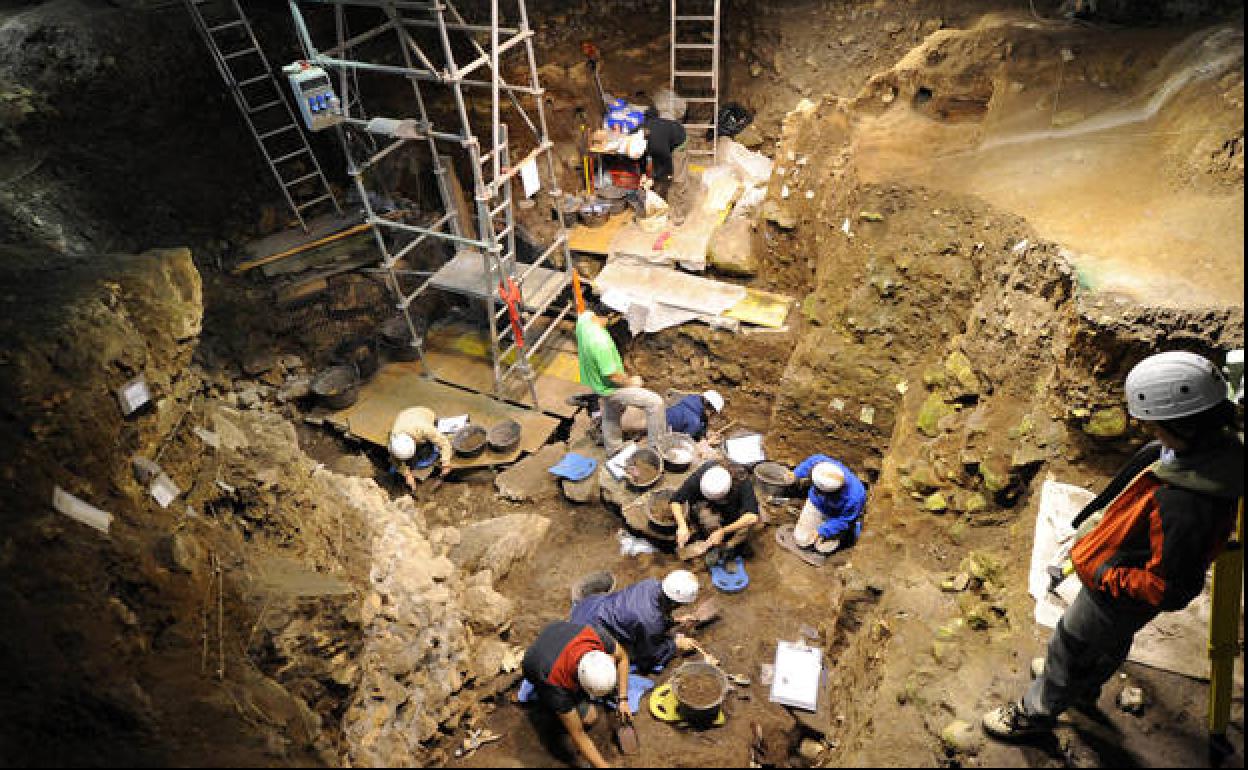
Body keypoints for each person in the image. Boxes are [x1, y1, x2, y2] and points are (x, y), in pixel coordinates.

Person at [982, 351, 1243, 740]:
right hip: (1121, 579)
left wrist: (1106, 575)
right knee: (1103, 645)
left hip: (1118, 593)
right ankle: (1082, 687)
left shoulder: (1187, 503)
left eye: (1155, 425)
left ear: (1182, 425)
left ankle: (1034, 714)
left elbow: (1169, 588)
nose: (1149, 431)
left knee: (1069, 643)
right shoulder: (1204, 455)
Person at [522, 621, 632, 769]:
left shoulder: (597, 637)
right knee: (589, 718)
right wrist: (603, 766)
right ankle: (545, 702)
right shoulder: (556, 681)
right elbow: (578, 734)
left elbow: (623, 657)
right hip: (535, 663)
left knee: (590, 713)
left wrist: (623, 699)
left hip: (556, 632)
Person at [569, 570, 701, 675]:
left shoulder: (650, 584)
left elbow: (653, 613)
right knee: (631, 655)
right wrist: (675, 645)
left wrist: (674, 621)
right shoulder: (650, 621)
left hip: (588, 607)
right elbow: (650, 656)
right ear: (676, 602)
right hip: (586, 633)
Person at [575, 301, 666, 453]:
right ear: (610, 315)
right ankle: (656, 450)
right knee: (655, 402)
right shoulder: (600, 342)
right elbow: (612, 376)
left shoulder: (584, 318)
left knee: (612, 411)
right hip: (609, 387)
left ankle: (613, 448)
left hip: (595, 381)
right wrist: (631, 382)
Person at [671, 461, 763, 565]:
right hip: (708, 506)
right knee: (705, 517)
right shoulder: (701, 476)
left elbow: (753, 516)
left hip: (734, 510)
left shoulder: (741, 479)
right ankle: (709, 538)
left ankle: (728, 547)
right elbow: (675, 500)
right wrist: (682, 525)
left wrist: (723, 531)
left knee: (745, 526)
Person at [792, 455, 867, 554]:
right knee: (801, 540)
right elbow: (811, 462)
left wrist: (822, 531)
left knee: (823, 548)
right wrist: (795, 474)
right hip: (816, 505)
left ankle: (851, 532)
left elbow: (844, 520)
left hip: (837, 516)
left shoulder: (856, 497)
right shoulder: (824, 465)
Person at [388, 406, 452, 491]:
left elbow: (444, 443)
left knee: (425, 453)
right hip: (405, 415)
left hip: (424, 413)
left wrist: (446, 463)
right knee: (411, 461)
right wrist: (407, 475)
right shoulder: (394, 440)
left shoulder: (425, 429)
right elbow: (395, 458)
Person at [642, 106, 687, 207]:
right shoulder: (642, 129)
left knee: (678, 178)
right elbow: (645, 157)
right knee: (659, 170)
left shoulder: (656, 138)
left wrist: (668, 174)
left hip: (679, 142)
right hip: (666, 142)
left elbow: (666, 157)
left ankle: (678, 213)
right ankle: (661, 198)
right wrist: (644, 173)